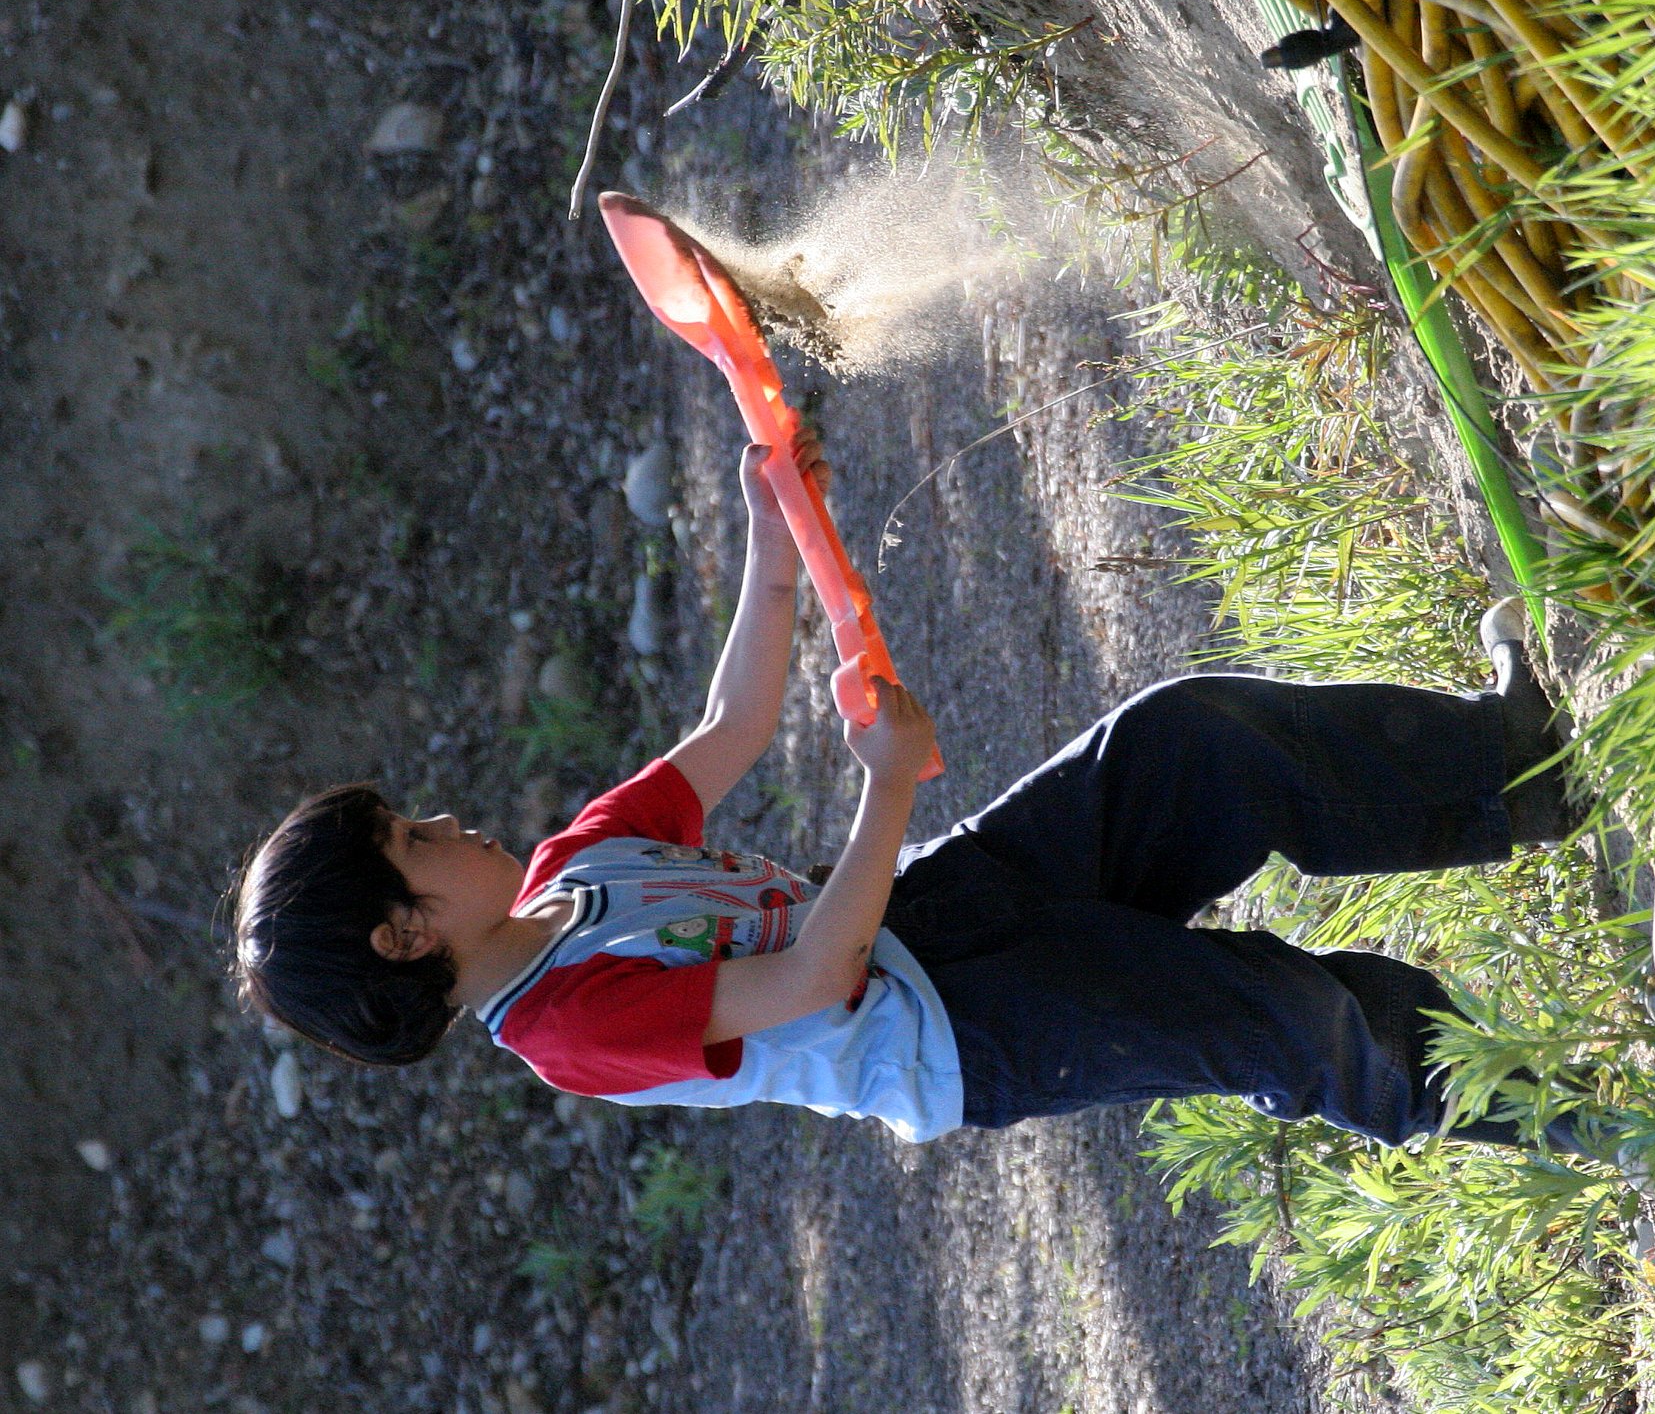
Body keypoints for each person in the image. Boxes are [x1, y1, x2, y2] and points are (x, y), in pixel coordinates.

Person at [231, 436, 1575, 1149]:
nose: (448, 823)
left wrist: (772, 536)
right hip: (965, 1037)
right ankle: (1592, 1124)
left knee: (1189, 743)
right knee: (1286, 1018)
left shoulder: (580, 871)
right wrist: (882, 790)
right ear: (405, 932)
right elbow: (815, 982)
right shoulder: (573, 1027)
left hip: (942, 911)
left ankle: (1517, 775)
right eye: (415, 840)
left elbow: (732, 720)